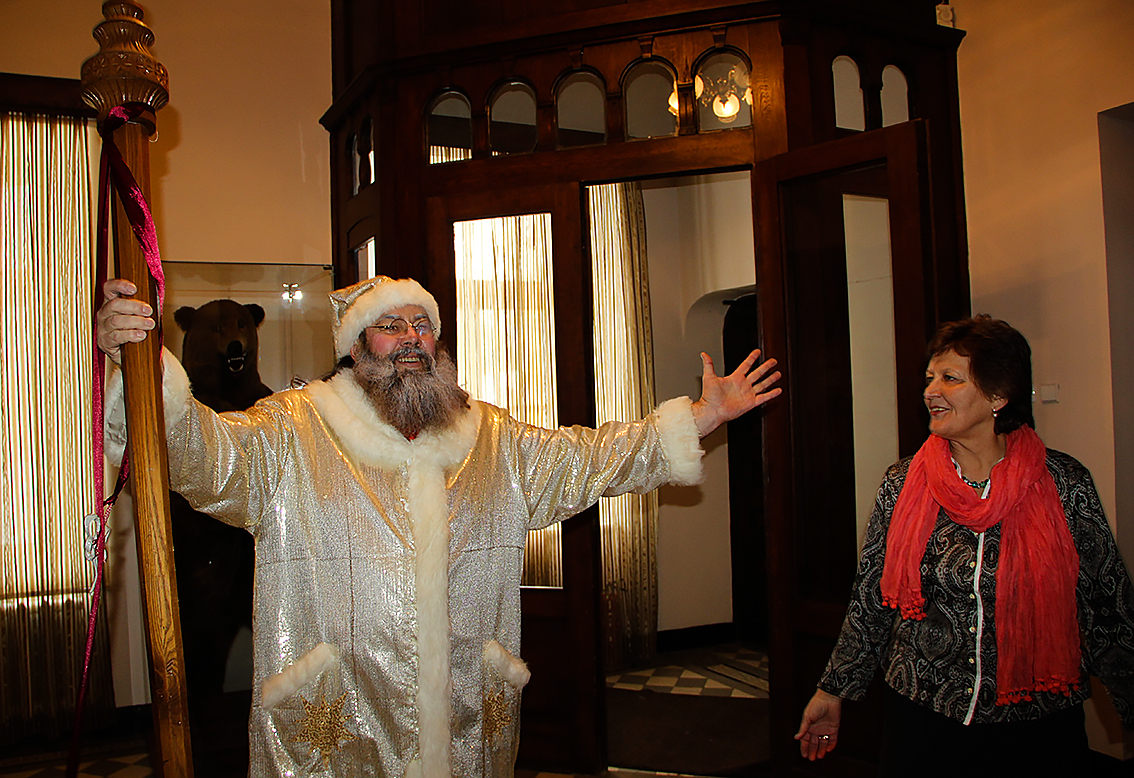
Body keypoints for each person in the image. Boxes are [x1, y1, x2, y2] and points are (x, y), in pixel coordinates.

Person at [97, 274, 782, 778]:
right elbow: (204, 455)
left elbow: (588, 459)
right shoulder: (293, 431)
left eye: (422, 325)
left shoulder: (490, 440)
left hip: (463, 715)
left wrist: (699, 419)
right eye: (390, 325)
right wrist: (137, 365)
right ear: (356, 346)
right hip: (341, 713)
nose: (410, 339)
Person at [795, 315, 1134, 776]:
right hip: (924, 718)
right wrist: (832, 689)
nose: (930, 391)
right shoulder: (903, 483)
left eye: (950, 378)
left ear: (998, 395)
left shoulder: (1063, 483)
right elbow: (871, 598)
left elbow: (1107, 605)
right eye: (930, 377)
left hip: (1036, 723)